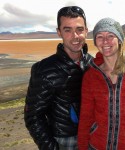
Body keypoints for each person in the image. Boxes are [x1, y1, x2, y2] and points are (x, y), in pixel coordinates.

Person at [78, 17, 125, 150]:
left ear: (119, 40)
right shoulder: (90, 76)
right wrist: (82, 147)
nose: (105, 41)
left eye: (110, 35)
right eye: (100, 37)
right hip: (96, 145)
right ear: (96, 42)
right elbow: (86, 117)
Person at [24, 6, 92, 150]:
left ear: (86, 31)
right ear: (59, 32)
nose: (75, 36)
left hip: (94, 136)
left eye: (79, 29)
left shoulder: (94, 64)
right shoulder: (44, 69)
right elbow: (33, 116)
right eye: (68, 30)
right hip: (65, 141)